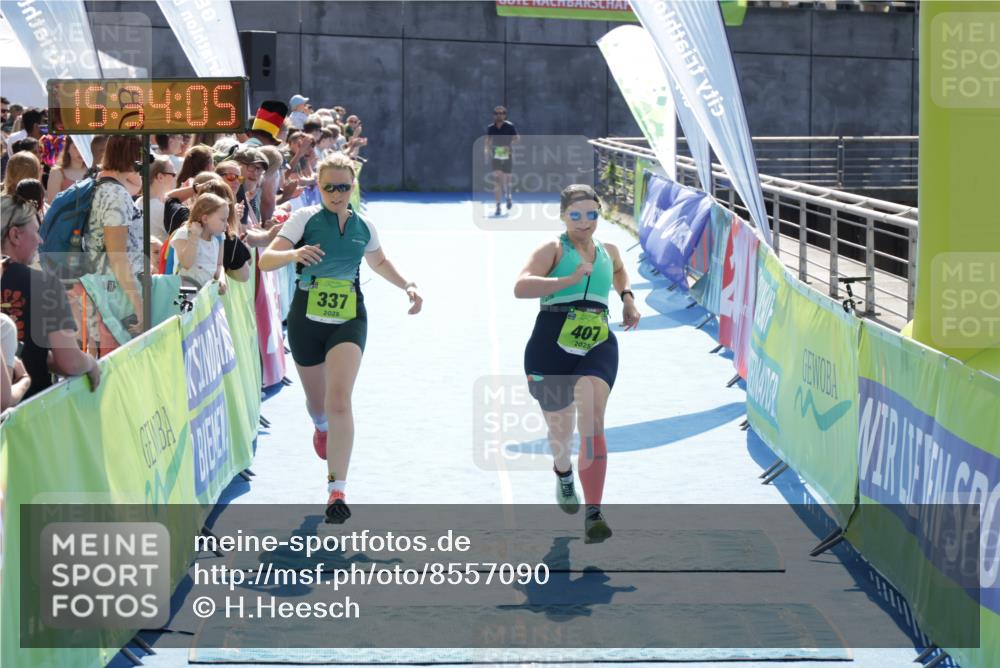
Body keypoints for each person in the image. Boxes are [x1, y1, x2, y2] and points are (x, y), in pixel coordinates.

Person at [258, 153, 423, 524]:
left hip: (348, 318)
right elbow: (266, 260)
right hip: (306, 320)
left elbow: (378, 262)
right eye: (329, 187)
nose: (336, 194)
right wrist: (296, 252)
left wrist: (408, 285)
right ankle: (320, 427)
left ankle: (337, 489)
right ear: (318, 187)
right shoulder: (303, 220)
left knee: (340, 401)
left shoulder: (364, 225)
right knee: (318, 404)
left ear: (353, 188)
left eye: (343, 187)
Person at [513, 184, 640, 544]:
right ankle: (563, 472)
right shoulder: (552, 248)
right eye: (576, 215)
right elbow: (521, 287)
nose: (585, 222)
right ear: (563, 216)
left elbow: (618, 271)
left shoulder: (608, 250)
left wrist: (627, 298)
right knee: (560, 433)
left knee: (592, 420)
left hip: (596, 342)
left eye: (592, 215)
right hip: (550, 343)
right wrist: (567, 279)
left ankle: (594, 512)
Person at [1, 195, 101, 398]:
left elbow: (30, 351)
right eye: (36, 231)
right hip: (27, 413)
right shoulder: (44, 284)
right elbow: (69, 361)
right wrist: (90, 362)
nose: (41, 239)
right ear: (15, 235)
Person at [86, 135, 145, 342]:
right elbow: (117, 256)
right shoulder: (116, 195)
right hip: (117, 294)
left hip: (105, 288)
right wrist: (140, 306)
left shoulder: (100, 184)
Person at [170, 193, 229, 292]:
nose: (226, 224)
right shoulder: (184, 234)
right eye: (223, 220)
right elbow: (186, 264)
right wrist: (194, 236)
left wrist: (221, 279)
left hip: (206, 297)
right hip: (185, 296)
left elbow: (219, 265)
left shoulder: (216, 239)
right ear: (205, 219)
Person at [136, 156, 178, 256]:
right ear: (160, 177)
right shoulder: (161, 208)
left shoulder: (140, 202)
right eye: (173, 174)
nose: (175, 177)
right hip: (160, 264)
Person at [485, 105, 519, 216]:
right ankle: (498, 206)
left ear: (505, 114)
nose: (499, 115)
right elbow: (488, 141)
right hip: (496, 155)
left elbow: (516, 138)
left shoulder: (510, 126)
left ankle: (508, 195)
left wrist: (509, 145)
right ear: (494, 115)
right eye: (497, 113)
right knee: (498, 180)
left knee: (507, 178)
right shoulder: (491, 127)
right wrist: (488, 150)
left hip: (507, 154)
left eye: (502, 113)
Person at [46, 136, 88, 203]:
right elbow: (52, 203)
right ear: (67, 148)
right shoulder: (57, 172)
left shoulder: (93, 171)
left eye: (84, 147)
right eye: (76, 147)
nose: (81, 151)